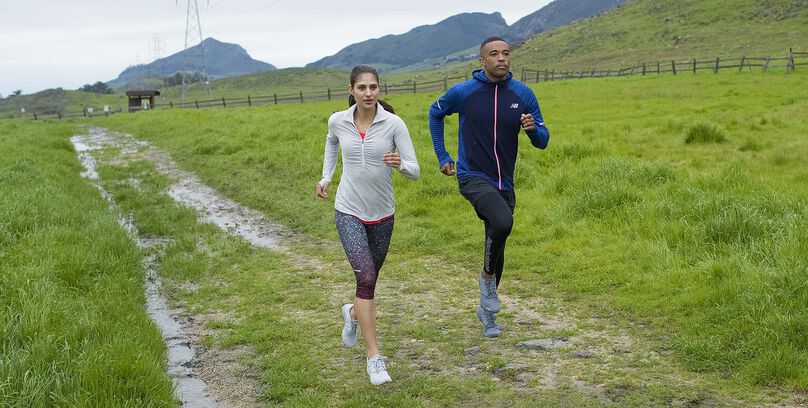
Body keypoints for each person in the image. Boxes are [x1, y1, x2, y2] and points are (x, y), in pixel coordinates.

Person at [428, 36, 550, 338]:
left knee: (499, 242)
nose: (501, 58)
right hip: (472, 176)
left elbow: (543, 141)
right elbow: (435, 113)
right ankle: (486, 281)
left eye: (506, 53)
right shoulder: (464, 93)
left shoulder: (523, 94)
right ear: (482, 61)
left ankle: (486, 310)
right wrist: (443, 155)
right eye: (494, 54)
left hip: (504, 182)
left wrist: (533, 130)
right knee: (502, 221)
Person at [316, 65, 420, 385]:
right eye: (361, 88)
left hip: (383, 214)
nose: (368, 93)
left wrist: (399, 163)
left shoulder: (393, 124)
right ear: (351, 90)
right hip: (348, 210)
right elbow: (331, 143)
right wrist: (327, 176)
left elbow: (415, 170)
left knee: (368, 286)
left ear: (379, 89)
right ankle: (374, 357)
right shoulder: (338, 121)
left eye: (373, 87)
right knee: (367, 276)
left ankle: (351, 314)